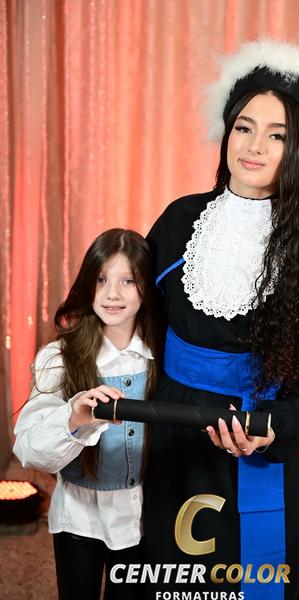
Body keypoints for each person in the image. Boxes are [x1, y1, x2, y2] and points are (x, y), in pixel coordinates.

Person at [143, 39, 299, 600]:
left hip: (255, 441)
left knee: (245, 582)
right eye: (244, 127)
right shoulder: (179, 221)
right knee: (167, 579)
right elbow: (139, 329)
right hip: (172, 432)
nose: (255, 146)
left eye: (278, 135)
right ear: (227, 132)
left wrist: (267, 431)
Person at [13, 228, 161, 600]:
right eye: (101, 279)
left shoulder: (165, 358)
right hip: (79, 517)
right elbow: (29, 450)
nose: (112, 294)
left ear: (146, 286)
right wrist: (74, 419)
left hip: (143, 516)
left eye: (128, 281)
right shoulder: (58, 358)